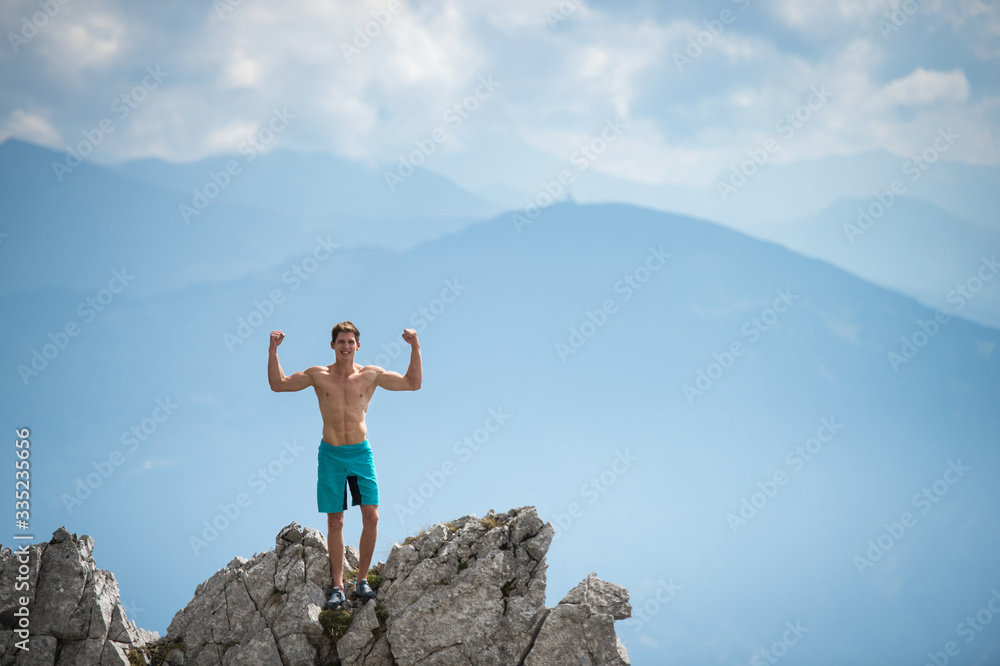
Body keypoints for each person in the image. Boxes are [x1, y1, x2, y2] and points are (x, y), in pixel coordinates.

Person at [268, 321, 422, 610]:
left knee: (372, 517)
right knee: (335, 521)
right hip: (331, 455)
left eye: (351, 342)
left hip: (361, 453)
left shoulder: (370, 375)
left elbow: (412, 383)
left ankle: (361, 581)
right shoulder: (319, 375)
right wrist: (273, 350)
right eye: (341, 341)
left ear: (358, 345)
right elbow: (278, 385)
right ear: (333, 345)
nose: (346, 346)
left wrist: (415, 347)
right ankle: (338, 587)